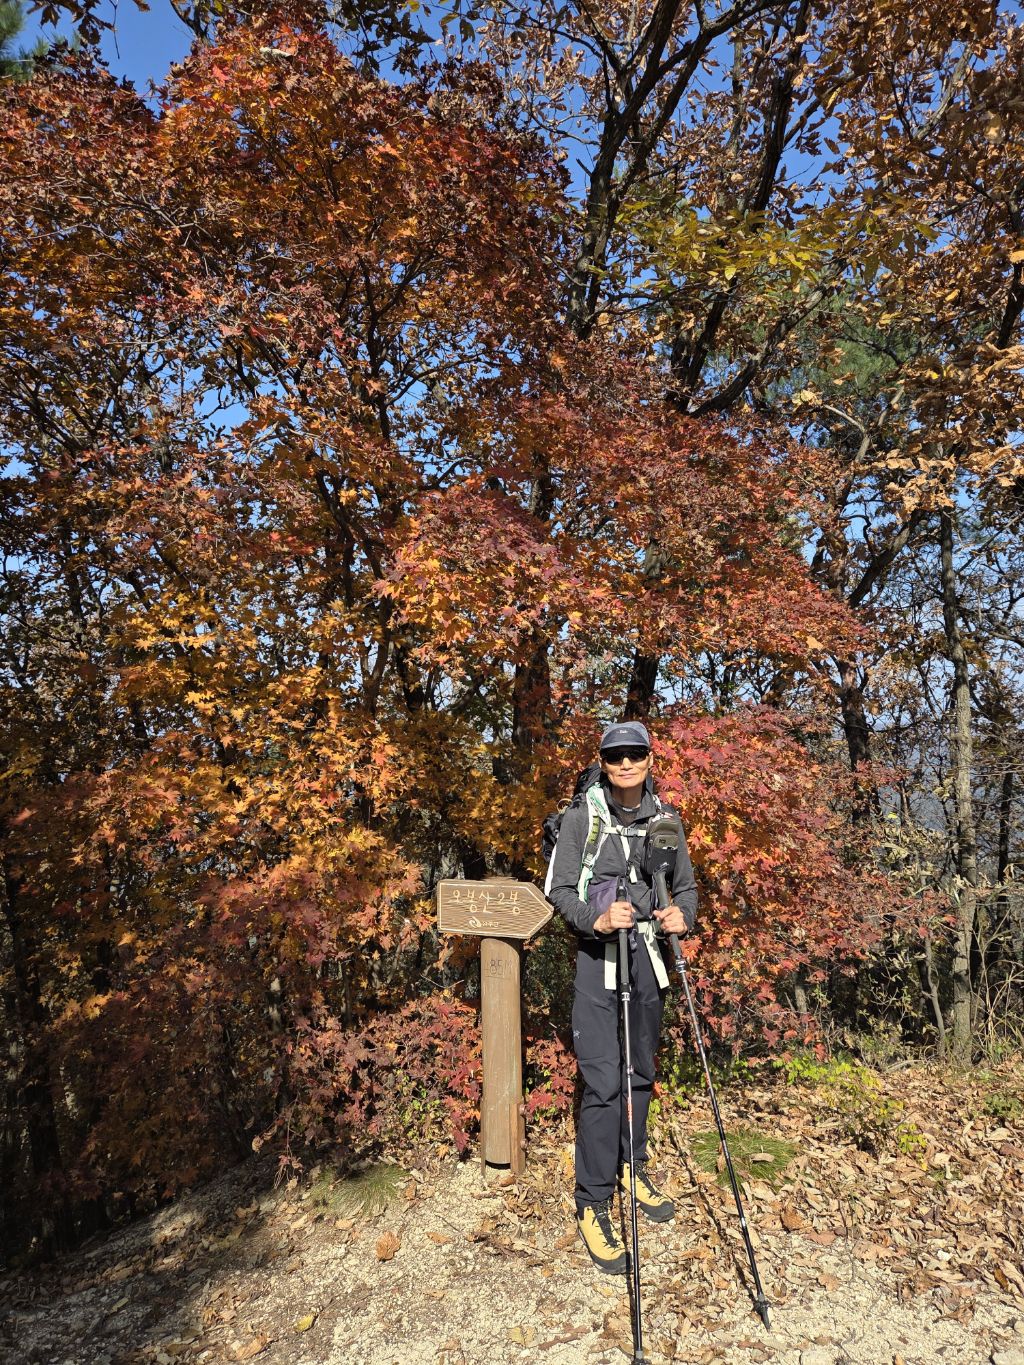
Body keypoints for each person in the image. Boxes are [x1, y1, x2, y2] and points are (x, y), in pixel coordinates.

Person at [547, 720, 697, 1274]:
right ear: (604, 763)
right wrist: (597, 919)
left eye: (636, 754)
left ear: (650, 760)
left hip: (648, 960)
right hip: (597, 963)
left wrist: (684, 916)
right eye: (616, 756)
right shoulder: (581, 818)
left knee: (640, 1072)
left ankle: (632, 1166)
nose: (627, 763)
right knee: (604, 1082)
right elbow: (559, 890)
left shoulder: (665, 820)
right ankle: (592, 1201)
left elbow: (685, 888)